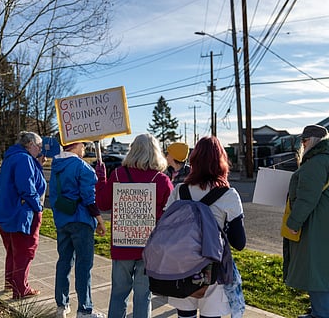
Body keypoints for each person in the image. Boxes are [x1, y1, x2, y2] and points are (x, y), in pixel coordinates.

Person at [165, 136, 246, 318]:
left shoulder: (179, 190)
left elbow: (167, 226)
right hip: (213, 268)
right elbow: (239, 243)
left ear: (194, 161)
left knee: (185, 315)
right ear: (222, 161)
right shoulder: (229, 195)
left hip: (181, 265)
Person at [94, 133, 174, 318]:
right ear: (156, 153)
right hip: (149, 248)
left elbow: (103, 203)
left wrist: (101, 180)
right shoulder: (162, 180)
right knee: (143, 295)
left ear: (133, 151)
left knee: (118, 294)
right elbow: (169, 216)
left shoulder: (119, 175)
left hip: (123, 245)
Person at [283, 125, 329, 318]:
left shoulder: (317, 162)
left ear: (311, 141)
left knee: (316, 267)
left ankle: (322, 313)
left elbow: (307, 198)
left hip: (317, 224)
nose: (302, 145)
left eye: (303, 141)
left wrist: (293, 223)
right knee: (326, 267)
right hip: (328, 223)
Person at [0, 131, 47, 299]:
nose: (40, 150)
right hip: (20, 213)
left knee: (13, 250)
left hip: (5, 211)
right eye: (39, 147)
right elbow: (27, 187)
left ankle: (10, 281)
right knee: (25, 250)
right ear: (30, 145)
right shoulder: (24, 159)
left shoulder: (13, 157)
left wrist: (38, 164)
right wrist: (38, 208)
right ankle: (21, 288)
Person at [50, 142, 107, 318]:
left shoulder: (56, 165)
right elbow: (89, 198)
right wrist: (100, 221)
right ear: (76, 146)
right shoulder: (82, 166)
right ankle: (84, 309)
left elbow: (53, 194)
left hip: (62, 220)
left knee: (64, 262)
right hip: (81, 220)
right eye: (83, 146)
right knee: (84, 266)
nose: (84, 149)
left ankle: (62, 306)